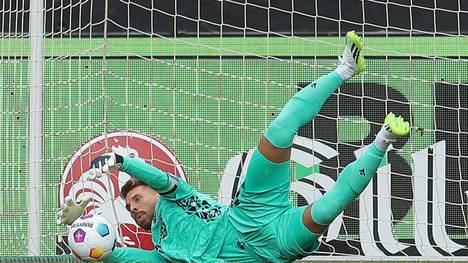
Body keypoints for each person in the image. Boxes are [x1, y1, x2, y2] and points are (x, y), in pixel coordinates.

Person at [58, 31, 410, 263]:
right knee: (328, 207)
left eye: (136, 198)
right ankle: (383, 141)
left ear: (154, 195)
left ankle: (345, 69)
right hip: (272, 247)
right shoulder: (164, 253)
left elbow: (163, 180)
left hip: (249, 212)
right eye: (129, 205)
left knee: (279, 130)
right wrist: (82, 223)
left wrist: (122, 161)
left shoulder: (177, 196)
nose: (134, 209)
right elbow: (112, 254)